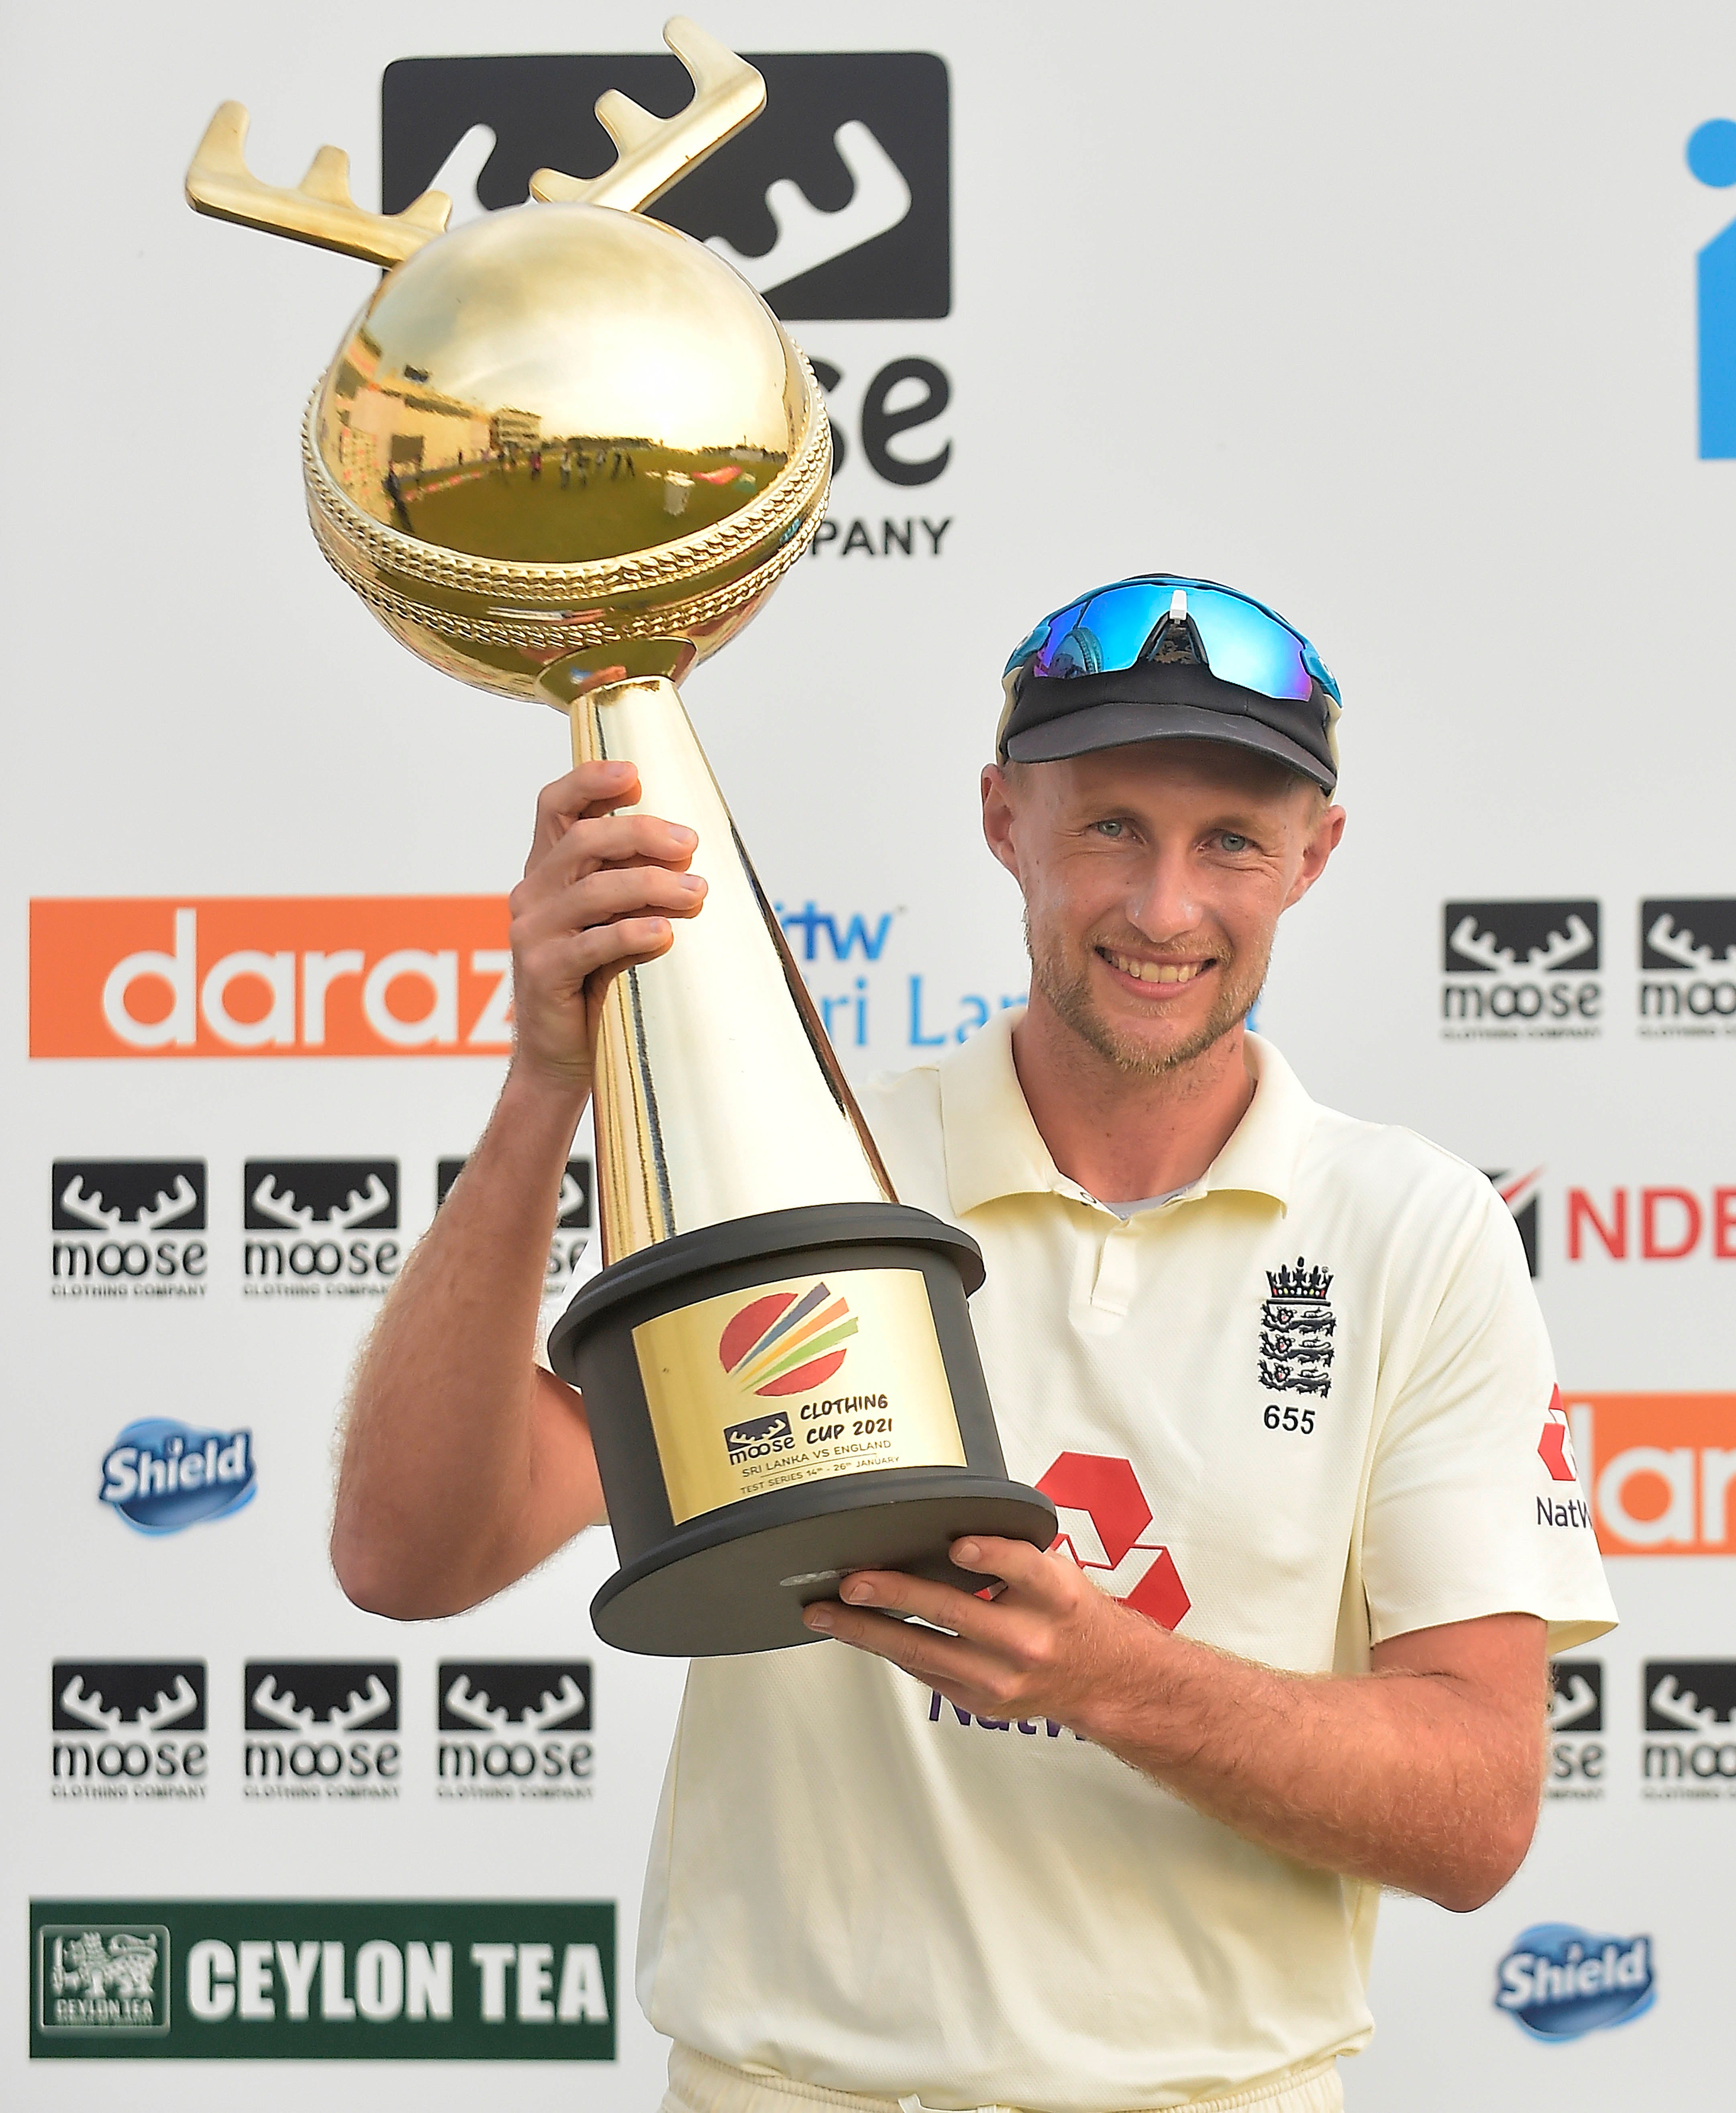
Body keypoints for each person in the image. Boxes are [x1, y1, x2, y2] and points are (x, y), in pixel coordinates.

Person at [333, 573, 1615, 2113]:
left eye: (1230, 842)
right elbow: (411, 1557)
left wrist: (1106, 1676)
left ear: (1313, 858)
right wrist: (551, 1075)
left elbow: (1476, 1816)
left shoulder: (1416, 1229)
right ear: (1004, 820)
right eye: (1109, 829)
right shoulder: (806, 1164)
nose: (1163, 908)